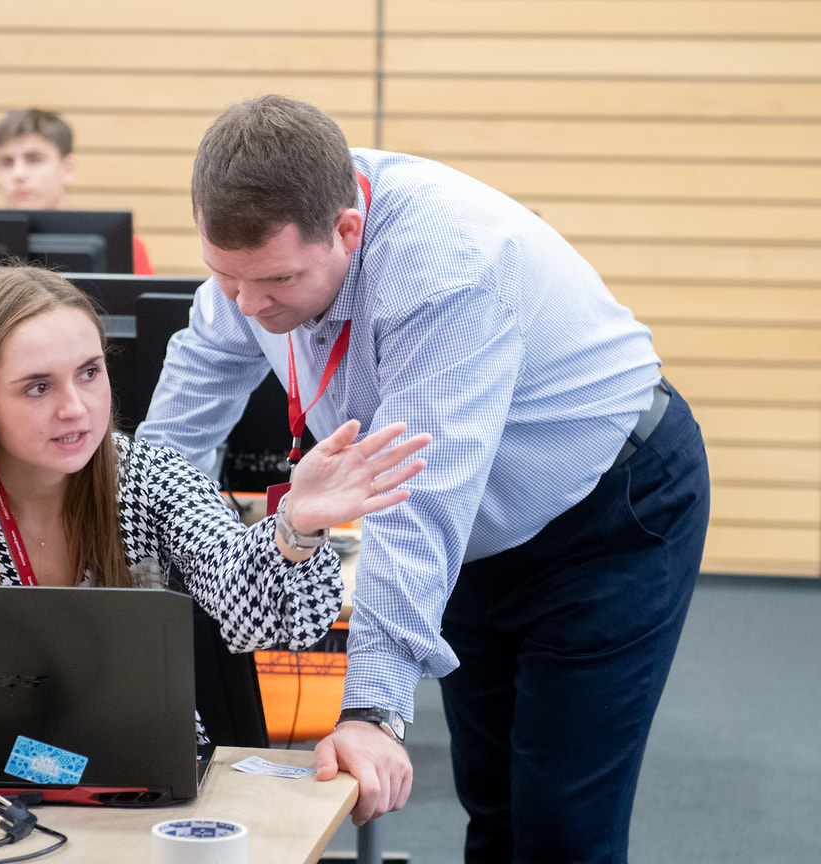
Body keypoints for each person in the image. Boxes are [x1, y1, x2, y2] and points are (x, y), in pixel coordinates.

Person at [136, 95, 711, 863]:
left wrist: (371, 711)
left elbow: (420, 503)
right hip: (483, 536)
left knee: (562, 825)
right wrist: (115, 563)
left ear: (346, 230)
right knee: (495, 805)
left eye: (274, 280)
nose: (247, 304)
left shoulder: (445, 269)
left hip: (609, 516)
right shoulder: (255, 267)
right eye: (224, 277)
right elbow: (174, 436)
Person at [0, 264, 429, 741]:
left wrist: (296, 527)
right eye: (37, 387)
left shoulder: (145, 475)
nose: (75, 408)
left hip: (137, 780)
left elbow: (262, 616)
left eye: (90, 372)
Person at [0, 108, 155, 274]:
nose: (17, 174)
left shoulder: (128, 248)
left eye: (34, 159)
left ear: (68, 168)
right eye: (6, 162)